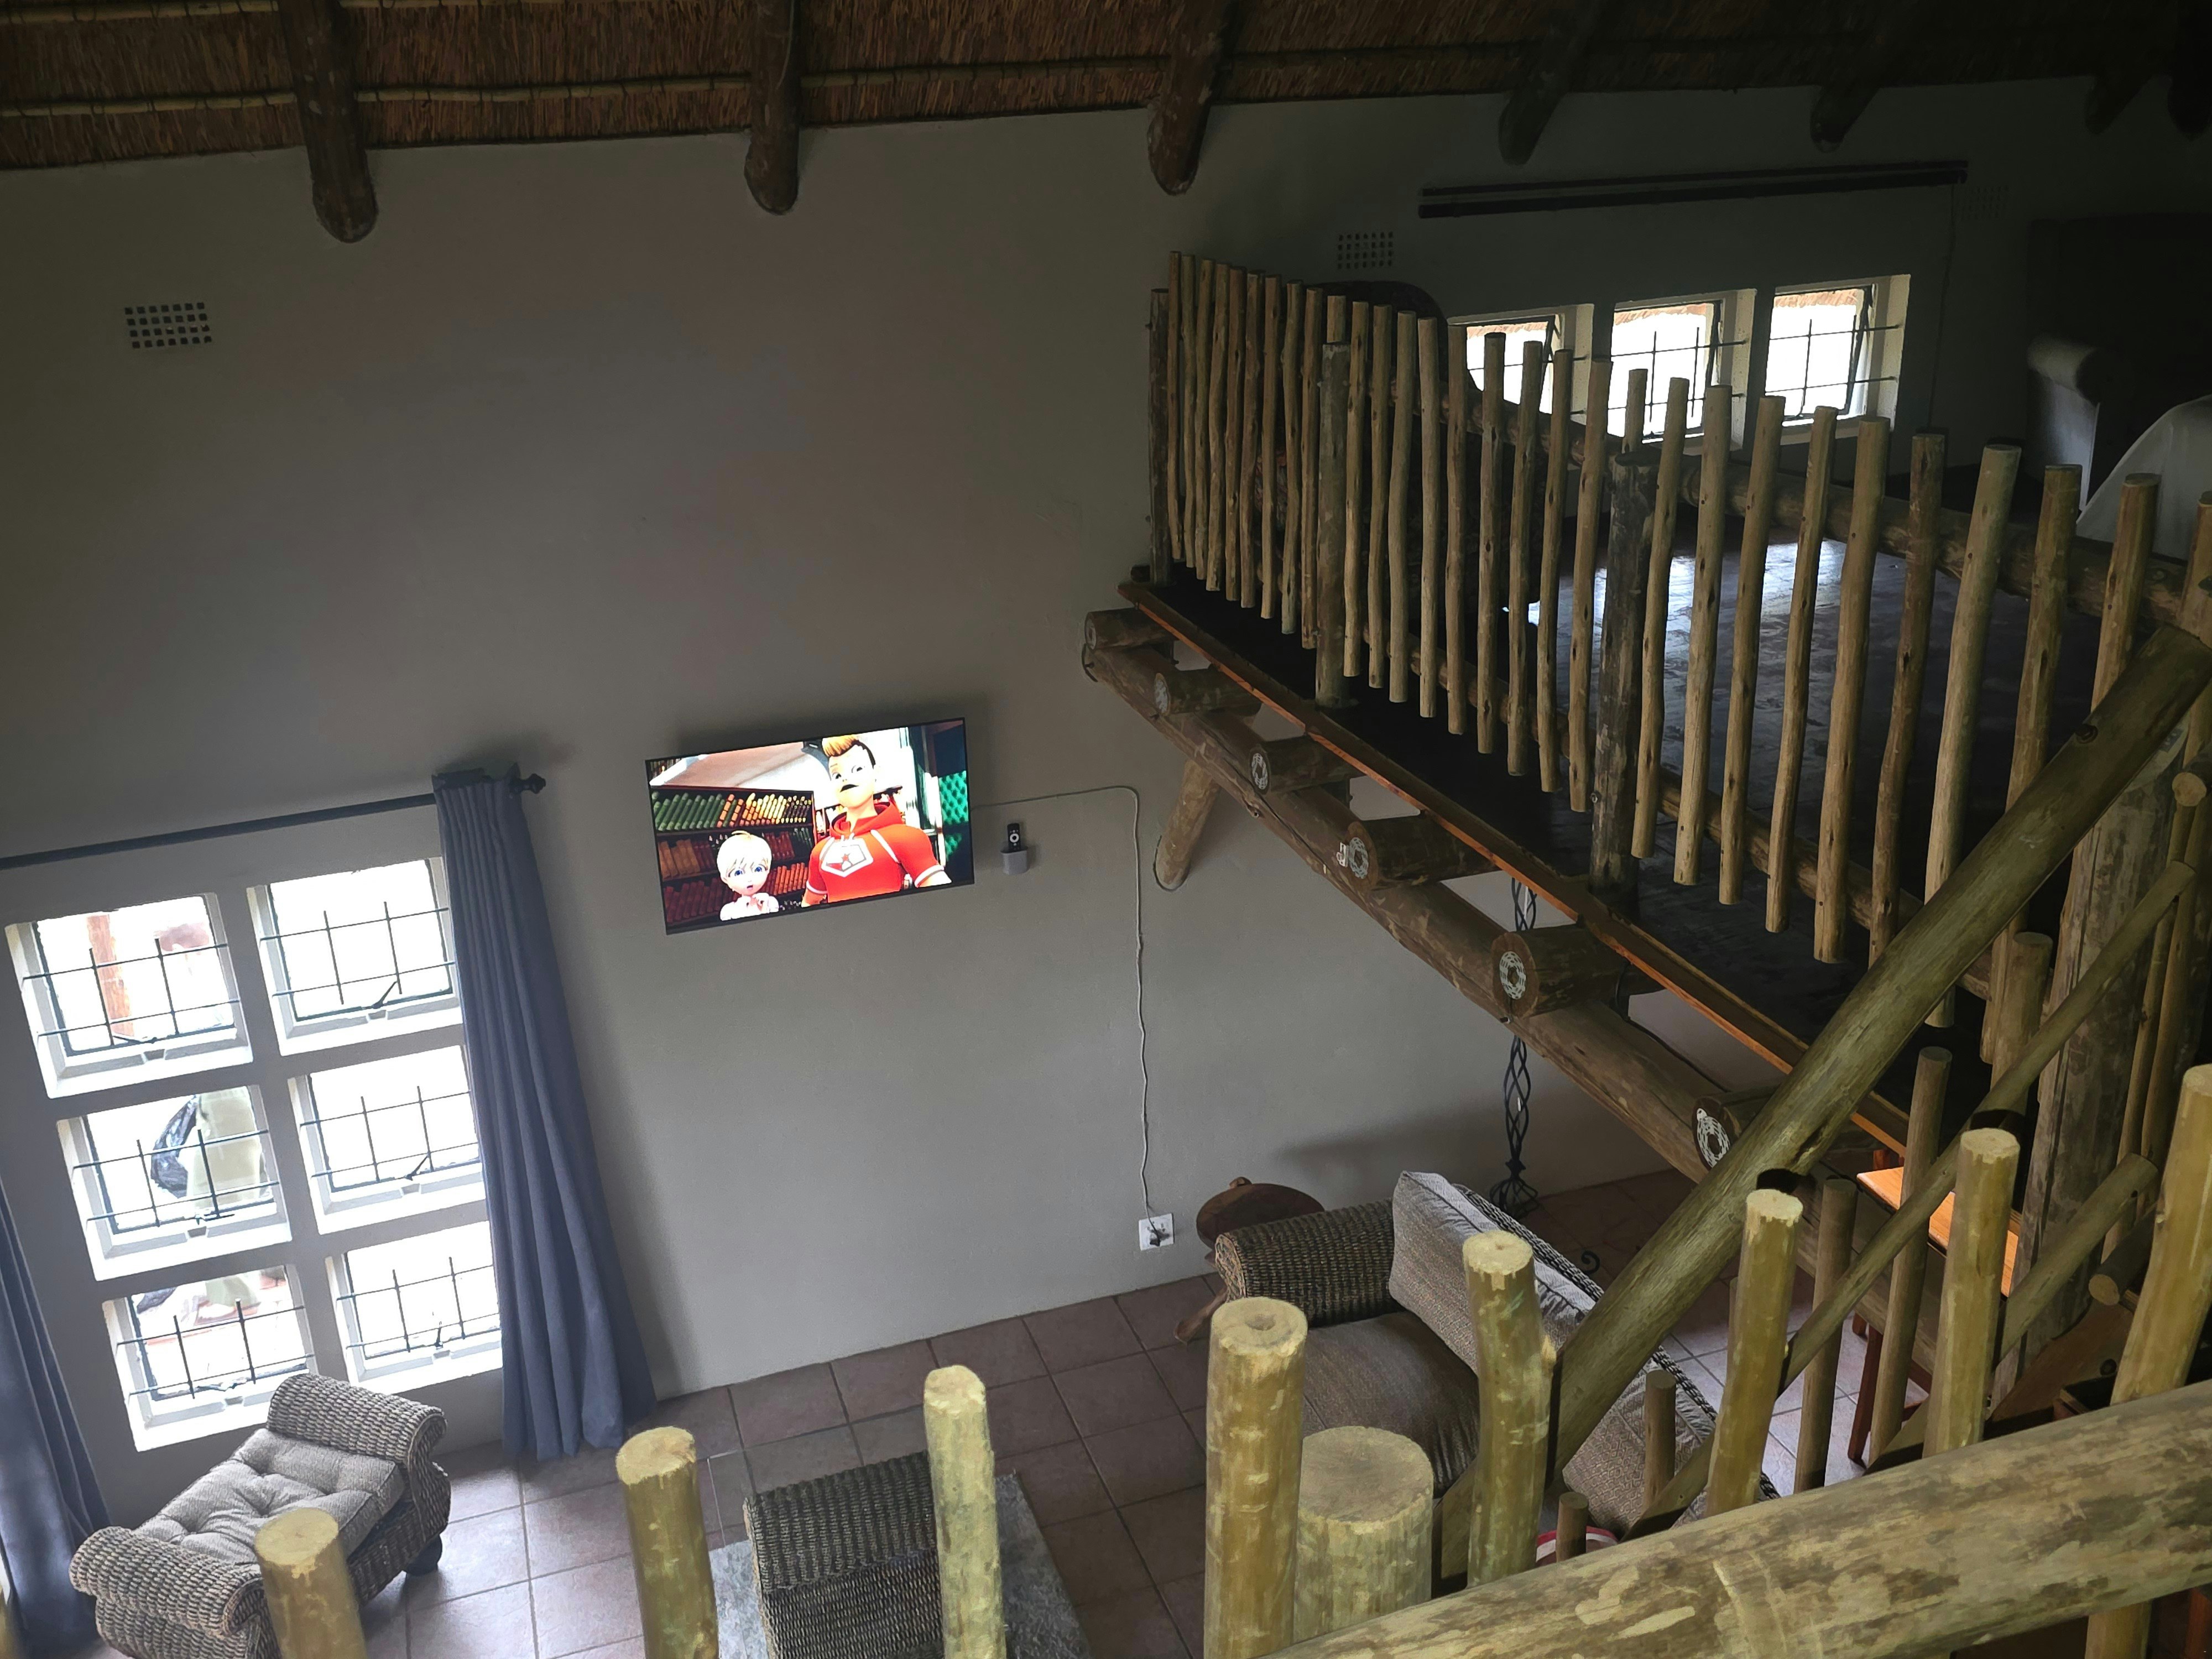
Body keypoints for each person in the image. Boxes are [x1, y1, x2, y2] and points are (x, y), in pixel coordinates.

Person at [802, 734, 950, 905]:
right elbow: (808, 903)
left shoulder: (904, 838)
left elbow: (945, 897)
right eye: (837, 775)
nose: (845, 779)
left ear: (876, 773)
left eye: (858, 769)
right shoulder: (821, 851)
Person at [716, 831, 781, 919]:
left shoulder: (771, 903)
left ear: (767, 871)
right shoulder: (728, 911)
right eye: (738, 873)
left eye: (758, 869)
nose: (749, 878)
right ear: (725, 879)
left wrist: (764, 911)